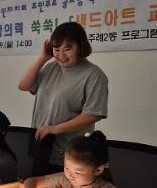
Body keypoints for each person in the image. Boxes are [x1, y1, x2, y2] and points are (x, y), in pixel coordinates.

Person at [18, 22, 108, 170]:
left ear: (80, 47)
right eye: (56, 49)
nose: (61, 55)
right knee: (35, 183)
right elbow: (24, 86)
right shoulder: (50, 67)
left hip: (70, 150)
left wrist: (54, 129)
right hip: (42, 143)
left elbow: (93, 114)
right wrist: (42, 58)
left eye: (67, 49)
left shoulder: (94, 75)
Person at [23, 131, 138, 188]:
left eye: (77, 172)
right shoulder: (64, 178)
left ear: (98, 170)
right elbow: (30, 181)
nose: (70, 174)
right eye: (66, 167)